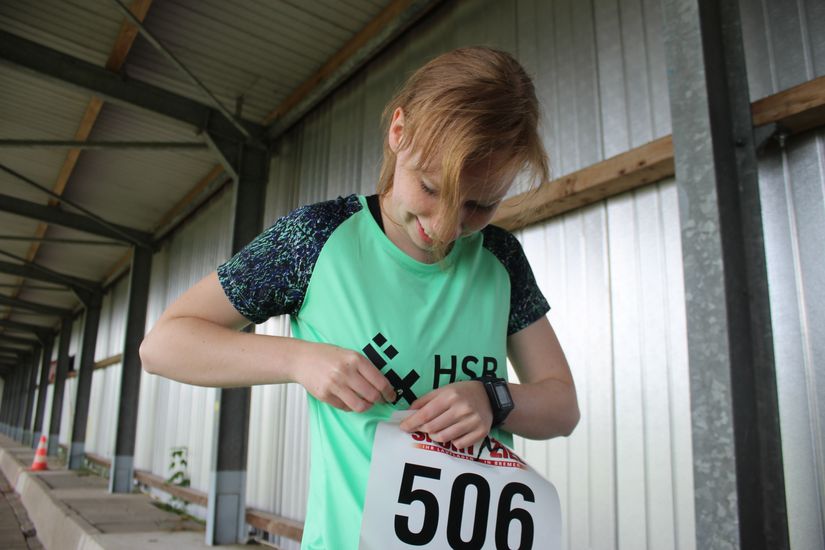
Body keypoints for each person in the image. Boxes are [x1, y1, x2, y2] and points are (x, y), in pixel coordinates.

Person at [140, 46, 579, 549]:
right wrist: (299, 359)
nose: (445, 228)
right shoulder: (316, 239)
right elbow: (163, 345)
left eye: (479, 205)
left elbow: (561, 404)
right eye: (431, 188)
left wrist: (493, 398)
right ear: (399, 133)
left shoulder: (500, 258)